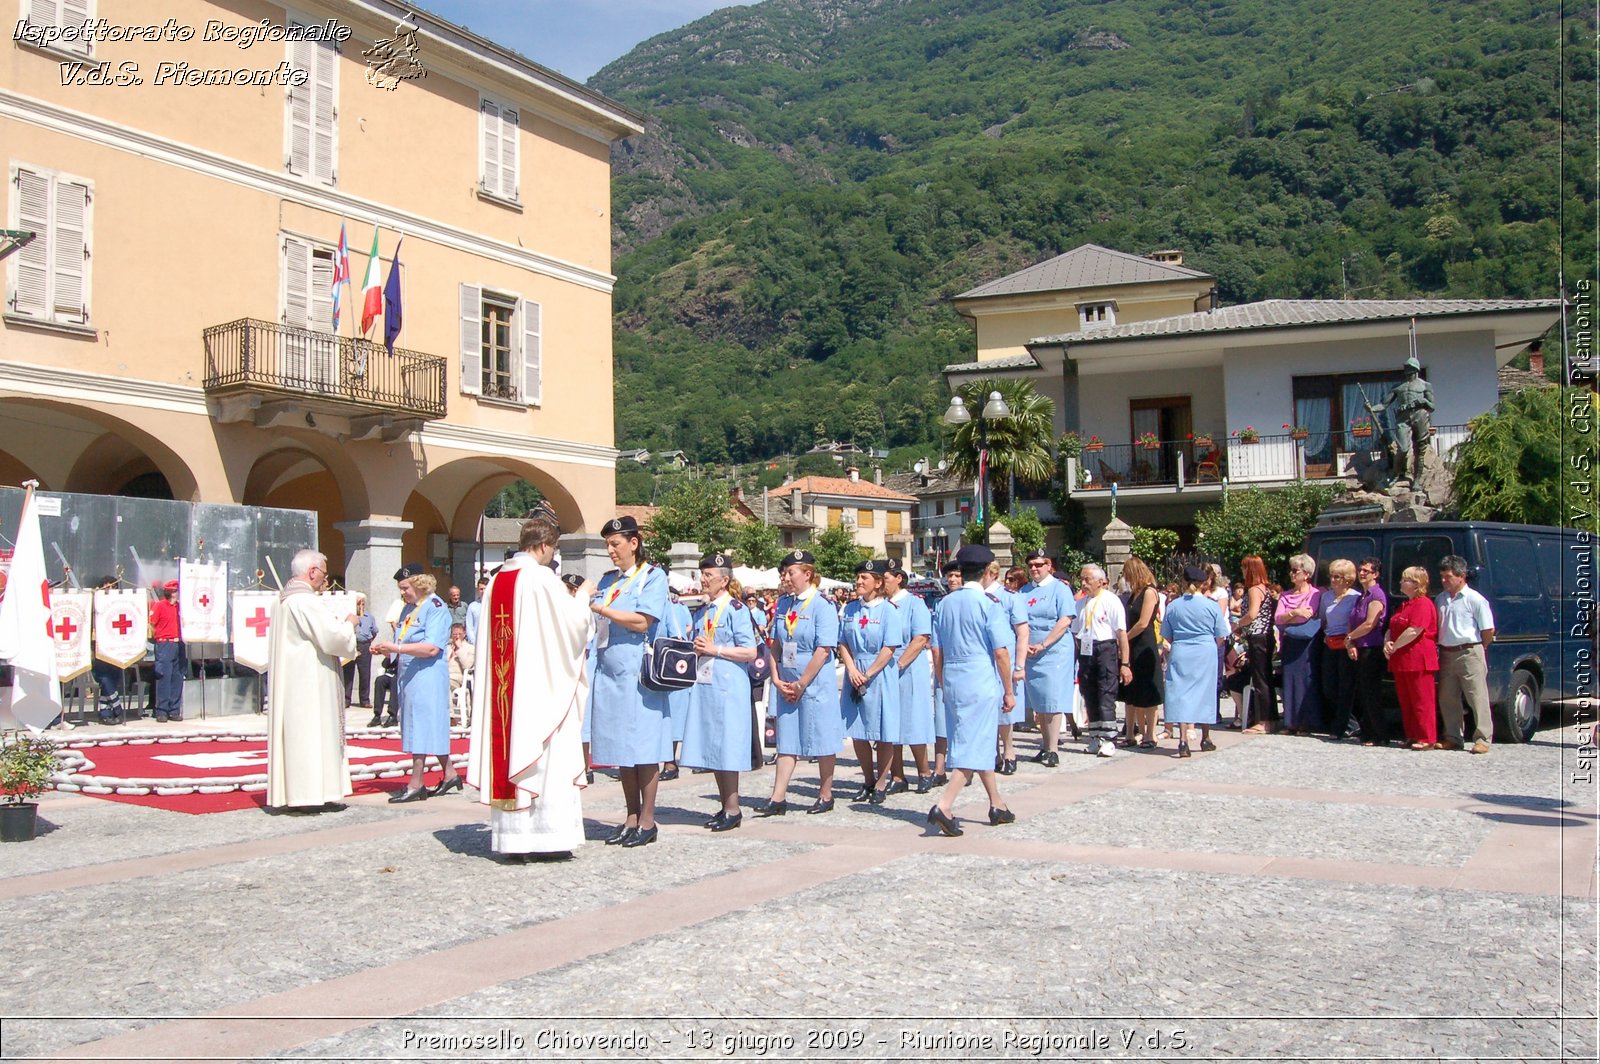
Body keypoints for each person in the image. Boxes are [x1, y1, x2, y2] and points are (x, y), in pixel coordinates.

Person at [466, 515, 594, 860]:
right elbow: (572, 628)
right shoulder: (542, 580)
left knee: (511, 751)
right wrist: (582, 597)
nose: (552, 558)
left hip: (506, 690)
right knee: (547, 759)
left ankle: (514, 841)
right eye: (552, 551)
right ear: (543, 545)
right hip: (540, 690)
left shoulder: (496, 581)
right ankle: (547, 839)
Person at [588, 515, 672, 847]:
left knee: (645, 747)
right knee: (622, 748)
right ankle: (630, 816)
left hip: (638, 673)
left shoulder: (652, 577)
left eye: (615, 544)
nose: (610, 550)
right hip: (610, 673)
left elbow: (642, 621)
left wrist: (600, 609)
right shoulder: (608, 581)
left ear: (633, 543)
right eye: (607, 544)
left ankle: (648, 820)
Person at [926, 544, 1016, 837]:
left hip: (952, 674)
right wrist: (1009, 689)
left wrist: (941, 679)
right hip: (979, 674)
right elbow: (1001, 652)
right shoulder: (989, 604)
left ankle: (997, 804)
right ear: (986, 572)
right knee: (974, 742)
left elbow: (936, 649)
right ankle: (945, 805)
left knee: (976, 738)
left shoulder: (944, 604)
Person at [266, 549, 358, 812]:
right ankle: (310, 795)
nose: (325, 580)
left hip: (294, 680)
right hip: (309, 682)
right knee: (311, 735)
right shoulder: (305, 601)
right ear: (312, 572)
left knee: (302, 736)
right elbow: (333, 638)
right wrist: (350, 623)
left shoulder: (283, 600)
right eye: (324, 574)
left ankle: (307, 793)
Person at [758, 549, 843, 817]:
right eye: (784, 572)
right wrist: (776, 676)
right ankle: (778, 796)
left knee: (822, 736)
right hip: (787, 679)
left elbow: (824, 649)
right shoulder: (784, 604)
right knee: (787, 739)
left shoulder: (823, 605)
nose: (785, 577)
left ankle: (825, 793)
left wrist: (802, 684)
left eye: (790, 572)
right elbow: (775, 644)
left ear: (807, 574)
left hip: (814, 681)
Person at [681, 552, 759, 830]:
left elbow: (750, 650)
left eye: (708, 576)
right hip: (706, 685)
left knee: (728, 746)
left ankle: (733, 808)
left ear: (724, 580)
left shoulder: (737, 610)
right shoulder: (702, 612)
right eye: (701, 575)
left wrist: (717, 649)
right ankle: (725, 805)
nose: (702, 580)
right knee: (713, 745)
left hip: (729, 687)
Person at [370, 570, 460, 802]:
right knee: (417, 723)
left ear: (419, 584)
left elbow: (431, 647)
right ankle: (450, 773)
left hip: (427, 673)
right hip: (409, 673)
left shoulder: (435, 607)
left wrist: (397, 649)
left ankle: (416, 782)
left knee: (422, 725)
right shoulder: (408, 608)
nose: (402, 593)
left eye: (405, 588)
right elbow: (403, 638)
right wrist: (386, 649)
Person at [840, 559, 904, 803]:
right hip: (855, 670)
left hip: (879, 673)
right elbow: (842, 641)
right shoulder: (850, 609)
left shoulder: (889, 611)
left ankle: (881, 782)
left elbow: (889, 647)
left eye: (864, 578)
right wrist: (851, 669)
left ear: (878, 583)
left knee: (883, 730)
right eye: (857, 577)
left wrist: (868, 674)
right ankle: (867, 780)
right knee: (858, 731)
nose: (858, 582)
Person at [1163, 565, 1232, 757]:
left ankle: (1183, 739)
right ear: (1204, 583)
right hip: (1205, 650)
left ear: (1183, 582)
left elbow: (1167, 635)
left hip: (1182, 650)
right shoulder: (1211, 606)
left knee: (1181, 693)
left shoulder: (1173, 606)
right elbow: (1220, 635)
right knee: (1205, 692)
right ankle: (1206, 737)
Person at [1019, 550, 1077, 767]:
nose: (1034, 568)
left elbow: (1065, 620)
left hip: (1054, 651)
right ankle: (1044, 745)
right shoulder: (1024, 591)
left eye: (1039, 565)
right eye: (1031, 565)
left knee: (1052, 699)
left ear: (1048, 565)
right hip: (1031, 652)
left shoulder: (1060, 589)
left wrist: (1044, 644)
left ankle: (1053, 748)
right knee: (1038, 701)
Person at [1435, 555, 1497, 754]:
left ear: (1461, 576)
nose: (1444, 580)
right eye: (1442, 576)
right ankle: (1453, 736)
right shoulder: (1440, 599)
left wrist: (1480, 648)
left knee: (1476, 696)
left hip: (1469, 650)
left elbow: (1488, 630)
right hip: (1446, 652)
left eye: (1448, 577)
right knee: (1448, 698)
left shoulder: (1475, 600)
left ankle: (1483, 738)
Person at [883, 559, 935, 793]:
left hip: (910, 668)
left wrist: (900, 665)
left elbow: (921, 638)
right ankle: (897, 775)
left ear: (898, 579)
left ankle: (924, 771)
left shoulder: (914, 604)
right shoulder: (883, 605)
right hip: (886, 668)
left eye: (885, 579)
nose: (882, 583)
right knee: (891, 723)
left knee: (913, 721)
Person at [1073, 563, 1129, 756]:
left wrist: (1125, 663)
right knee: (1089, 693)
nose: (1083, 583)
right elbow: (1075, 633)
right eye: (1081, 579)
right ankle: (1095, 736)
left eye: (1087, 579)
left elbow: (1121, 633)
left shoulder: (1111, 600)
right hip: (1087, 650)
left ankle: (1109, 738)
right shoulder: (1080, 603)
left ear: (1100, 581)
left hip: (1105, 648)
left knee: (1106, 692)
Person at [979, 561, 1028, 774]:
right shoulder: (974, 596)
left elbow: (1022, 633)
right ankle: (992, 752)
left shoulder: (1009, 597)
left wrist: (1019, 665)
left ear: (993, 573)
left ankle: (1009, 750)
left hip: (1004, 657)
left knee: (1004, 708)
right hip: (982, 658)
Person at [1385, 565, 1440, 750]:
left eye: (1405, 579)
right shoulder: (1404, 605)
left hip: (1418, 657)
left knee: (1421, 700)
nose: (1401, 582)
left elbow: (1415, 630)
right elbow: (1392, 627)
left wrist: (1395, 646)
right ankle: (1411, 734)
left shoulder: (1423, 604)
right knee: (1406, 700)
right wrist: (1388, 642)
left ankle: (1426, 737)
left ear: (1416, 584)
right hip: (1402, 659)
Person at [1274, 555, 1324, 736]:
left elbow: (1307, 616)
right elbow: (1277, 618)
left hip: (1306, 643)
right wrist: (1295, 611)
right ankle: (1291, 722)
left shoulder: (1315, 594)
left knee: (1306, 680)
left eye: (1296, 571)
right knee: (1290, 681)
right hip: (1289, 642)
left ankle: (1306, 723)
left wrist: (1289, 616)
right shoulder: (1285, 595)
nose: (1291, 574)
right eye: (1291, 570)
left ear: (1307, 574)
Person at [1119, 557, 1165, 749]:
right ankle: (1134, 732)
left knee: (1148, 693)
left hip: (1144, 645)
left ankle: (1150, 734)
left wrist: (1125, 637)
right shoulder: (1134, 594)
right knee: (1135, 692)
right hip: (1132, 646)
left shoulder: (1149, 592)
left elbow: (1144, 622)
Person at [1346, 556, 1390, 745]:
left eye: (1367, 571)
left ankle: (1379, 734)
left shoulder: (1376, 595)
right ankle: (1367, 731)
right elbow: (1352, 621)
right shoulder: (1361, 596)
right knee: (1363, 693)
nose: (1362, 573)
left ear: (1376, 574)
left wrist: (1350, 638)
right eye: (1360, 570)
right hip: (1359, 647)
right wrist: (1350, 643)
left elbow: (1370, 623)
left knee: (1372, 693)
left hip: (1372, 649)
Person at [1231, 555, 1278, 733]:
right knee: (1265, 677)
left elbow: (1252, 614)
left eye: (1244, 568)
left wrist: (1237, 624)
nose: (1242, 571)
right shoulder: (1265, 588)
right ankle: (1271, 718)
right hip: (1265, 636)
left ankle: (1265, 720)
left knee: (1260, 679)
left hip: (1257, 637)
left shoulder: (1253, 590)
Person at [1372, 356, 1435, 482]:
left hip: (1420, 415)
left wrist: (1422, 401)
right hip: (1403, 418)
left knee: (1420, 449)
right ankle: (1395, 474)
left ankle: (1417, 481)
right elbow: (1384, 405)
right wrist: (1371, 408)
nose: (1406, 370)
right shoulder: (1398, 387)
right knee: (1403, 448)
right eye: (1406, 367)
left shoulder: (1425, 385)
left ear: (1415, 369)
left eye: (1409, 367)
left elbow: (1432, 406)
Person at [1319, 559, 1361, 740]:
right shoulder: (1326, 597)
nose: (1333, 580)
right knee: (1329, 687)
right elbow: (1323, 619)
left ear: (1348, 579)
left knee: (1346, 687)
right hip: (1330, 643)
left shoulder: (1355, 597)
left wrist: (1351, 641)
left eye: (1338, 577)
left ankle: (1344, 726)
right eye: (1332, 576)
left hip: (1346, 643)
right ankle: (1351, 723)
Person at [660, 590, 695, 781]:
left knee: (672, 716)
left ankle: (670, 763)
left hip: (669, 669)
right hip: (652, 669)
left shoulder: (672, 608)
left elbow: (680, 637)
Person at [148, 579, 184, 723]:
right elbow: (151, 624)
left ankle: (174, 710)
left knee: (177, 677)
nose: (176, 594)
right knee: (164, 677)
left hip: (178, 643)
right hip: (164, 644)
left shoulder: (180, 607)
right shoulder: (159, 606)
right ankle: (162, 710)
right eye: (174, 591)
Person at [345, 594, 376, 716]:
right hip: (351, 644)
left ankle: (364, 700)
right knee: (348, 672)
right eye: (358, 602)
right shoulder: (349, 616)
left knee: (365, 673)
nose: (361, 605)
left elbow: (374, 631)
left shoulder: (369, 617)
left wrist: (367, 642)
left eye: (363, 602)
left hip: (364, 645)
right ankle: (346, 699)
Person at [447, 622, 475, 696]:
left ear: (464, 634)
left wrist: (460, 648)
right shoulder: (447, 648)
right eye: (455, 634)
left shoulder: (470, 648)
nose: (457, 637)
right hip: (443, 675)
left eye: (460, 634)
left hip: (456, 679)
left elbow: (467, 666)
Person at [464, 575, 488, 644]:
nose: (483, 591)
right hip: (476, 643)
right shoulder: (472, 606)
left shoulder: (494, 605)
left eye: (485, 589)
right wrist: (474, 643)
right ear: (477, 589)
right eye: (481, 589)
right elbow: (469, 627)